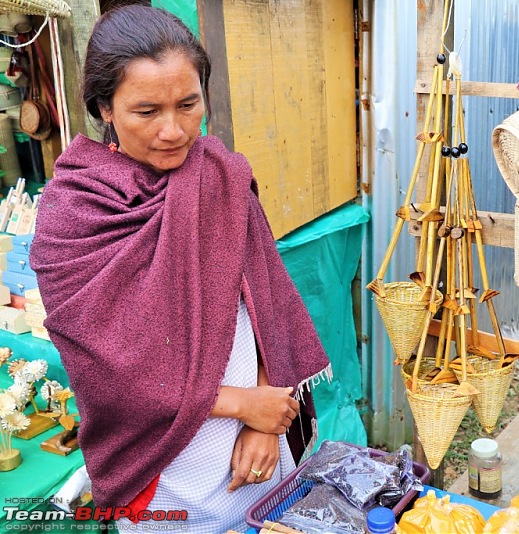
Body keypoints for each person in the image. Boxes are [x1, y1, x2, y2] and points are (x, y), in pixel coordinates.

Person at [29, 5, 332, 532]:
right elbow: (108, 371)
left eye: (188, 105)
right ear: (104, 107)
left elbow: (266, 304)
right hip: (161, 468)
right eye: (147, 111)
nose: (173, 130)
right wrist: (244, 405)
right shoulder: (73, 212)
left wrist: (270, 415)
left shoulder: (223, 177)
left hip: (259, 452)